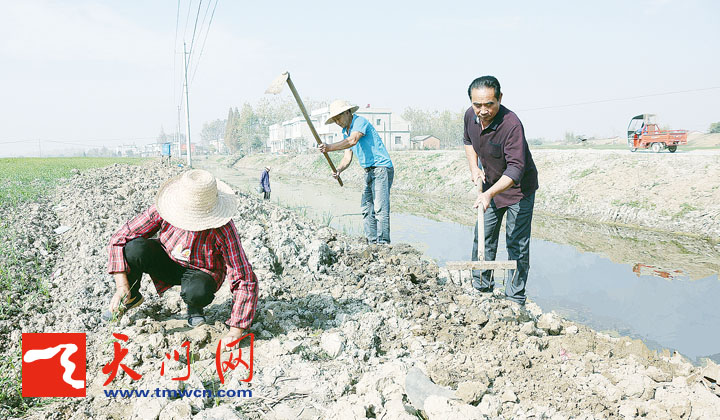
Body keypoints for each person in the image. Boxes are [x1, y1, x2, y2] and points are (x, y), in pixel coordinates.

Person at [102, 169, 258, 346]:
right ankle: (131, 296)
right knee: (134, 248)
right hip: (167, 261)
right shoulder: (166, 208)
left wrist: (236, 330)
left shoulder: (223, 228)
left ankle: (195, 306)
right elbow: (120, 237)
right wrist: (122, 286)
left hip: (201, 271)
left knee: (198, 290)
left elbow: (244, 277)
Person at [463, 76, 538, 305]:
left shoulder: (511, 124)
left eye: (489, 104)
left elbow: (516, 168)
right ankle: (482, 288)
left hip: (518, 191)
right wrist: (474, 168)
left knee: (517, 243)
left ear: (500, 99)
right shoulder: (470, 116)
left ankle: (515, 298)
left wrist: (488, 194)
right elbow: (468, 142)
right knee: (483, 237)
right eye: (478, 105)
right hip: (490, 186)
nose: (483, 110)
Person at [318, 100, 394, 244]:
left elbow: (352, 141)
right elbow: (347, 156)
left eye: (339, 118)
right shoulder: (345, 131)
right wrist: (339, 169)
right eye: (335, 120)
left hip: (381, 168)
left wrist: (329, 147)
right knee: (367, 208)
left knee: (379, 208)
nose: (338, 122)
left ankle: (383, 243)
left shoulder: (360, 122)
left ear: (348, 113)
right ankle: (372, 242)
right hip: (369, 170)